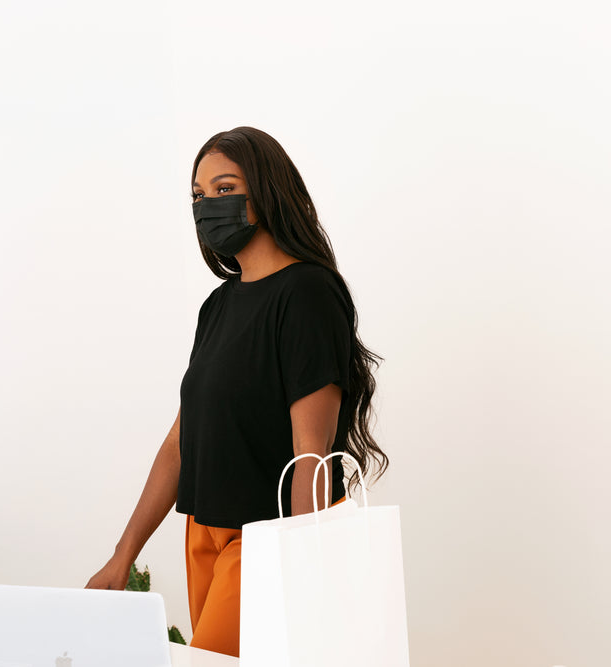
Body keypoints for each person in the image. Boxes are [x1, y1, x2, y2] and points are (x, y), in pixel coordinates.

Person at [85, 126, 387, 658]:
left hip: (269, 538)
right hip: (203, 532)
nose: (207, 206)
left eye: (225, 189)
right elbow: (182, 441)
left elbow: (311, 457)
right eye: (198, 196)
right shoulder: (218, 306)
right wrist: (123, 555)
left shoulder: (308, 293)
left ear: (267, 191)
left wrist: (301, 563)